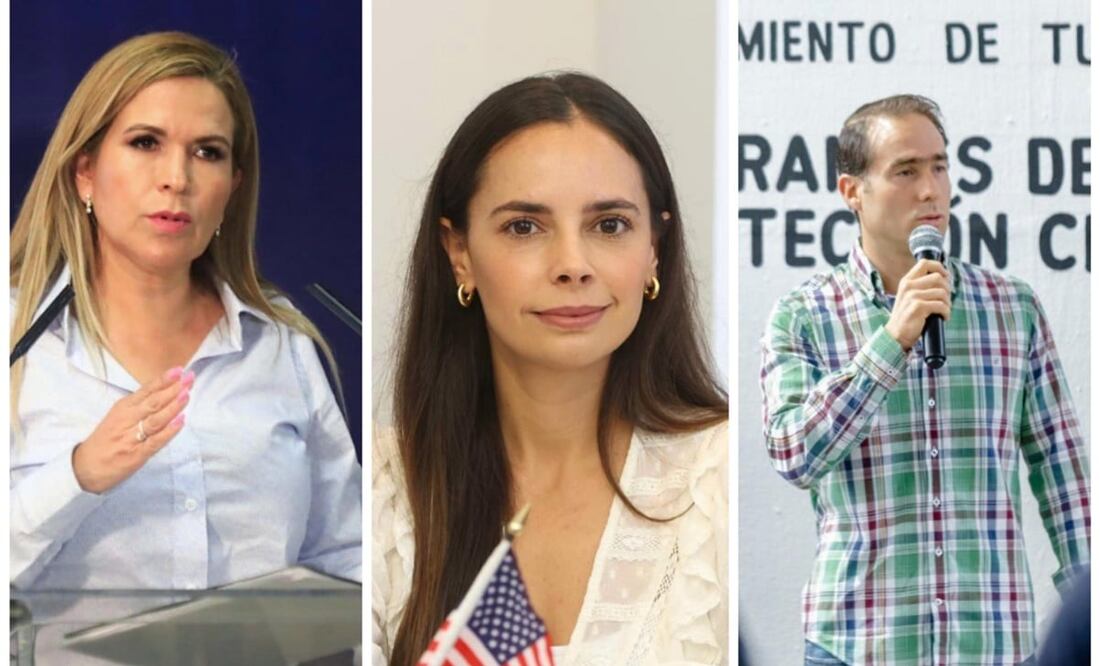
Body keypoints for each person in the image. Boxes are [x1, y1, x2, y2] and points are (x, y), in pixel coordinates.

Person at [372, 73, 728, 664]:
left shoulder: (719, 480)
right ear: (459, 253)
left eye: (609, 225)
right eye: (525, 227)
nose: (572, 265)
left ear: (654, 250)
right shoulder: (388, 487)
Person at [9, 32, 361, 597]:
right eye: (146, 142)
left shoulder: (279, 342)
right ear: (84, 172)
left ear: (232, 188)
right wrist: (79, 475)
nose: (178, 178)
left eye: (208, 152)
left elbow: (346, 552)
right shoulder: (15, 339)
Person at [760, 95, 1090, 665]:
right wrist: (892, 341)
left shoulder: (1012, 308)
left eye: (939, 166)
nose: (931, 190)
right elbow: (794, 454)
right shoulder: (804, 314)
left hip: (991, 645)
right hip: (857, 645)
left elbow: (1066, 484)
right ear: (852, 192)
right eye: (906, 171)